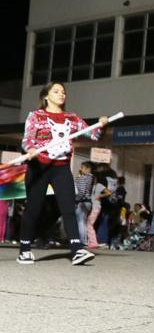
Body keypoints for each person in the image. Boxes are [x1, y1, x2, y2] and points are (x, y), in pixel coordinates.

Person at [17, 83, 107, 266]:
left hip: (61, 167)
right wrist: (31, 148)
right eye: (56, 91)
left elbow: (94, 135)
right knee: (33, 209)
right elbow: (26, 139)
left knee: (68, 207)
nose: (61, 94)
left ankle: (76, 249)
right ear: (46, 96)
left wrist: (102, 125)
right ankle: (25, 249)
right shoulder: (36, 116)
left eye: (63, 92)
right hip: (39, 167)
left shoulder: (71, 118)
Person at [73, 160, 96, 252]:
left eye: (82, 167)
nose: (80, 169)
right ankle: (83, 240)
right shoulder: (91, 178)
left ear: (88, 169)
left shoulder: (83, 178)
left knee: (80, 222)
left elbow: (81, 192)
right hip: (88, 202)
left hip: (82, 202)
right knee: (83, 221)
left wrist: (76, 200)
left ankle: (82, 241)